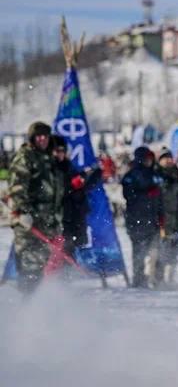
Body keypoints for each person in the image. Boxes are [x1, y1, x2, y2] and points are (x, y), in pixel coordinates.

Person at [8, 122, 63, 293]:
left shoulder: (47, 159)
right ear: (32, 138)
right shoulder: (26, 157)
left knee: (44, 272)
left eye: (45, 136)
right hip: (29, 226)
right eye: (38, 136)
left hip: (47, 225)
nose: (42, 139)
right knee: (30, 271)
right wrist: (23, 211)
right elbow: (16, 187)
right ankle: (27, 312)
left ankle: (42, 311)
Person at [50, 134, 103, 264]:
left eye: (62, 151)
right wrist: (71, 187)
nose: (60, 154)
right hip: (58, 218)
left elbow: (81, 186)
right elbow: (53, 191)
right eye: (57, 151)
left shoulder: (69, 166)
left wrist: (90, 177)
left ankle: (68, 279)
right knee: (58, 252)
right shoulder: (48, 168)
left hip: (74, 215)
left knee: (72, 249)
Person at [121, 146, 164, 289]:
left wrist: (161, 215)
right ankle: (138, 280)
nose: (149, 161)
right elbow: (129, 196)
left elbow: (160, 198)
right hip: (137, 220)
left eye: (151, 159)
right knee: (139, 252)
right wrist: (146, 194)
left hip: (153, 220)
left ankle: (156, 279)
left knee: (156, 252)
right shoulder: (130, 176)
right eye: (147, 159)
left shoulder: (154, 174)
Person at [155, 149, 178, 287]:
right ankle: (158, 279)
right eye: (165, 158)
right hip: (162, 219)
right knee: (160, 250)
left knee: (173, 251)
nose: (168, 160)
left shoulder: (176, 173)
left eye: (169, 157)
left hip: (176, 218)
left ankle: (170, 279)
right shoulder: (156, 175)